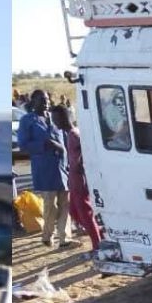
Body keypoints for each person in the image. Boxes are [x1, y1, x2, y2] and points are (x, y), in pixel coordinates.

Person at [16, 90, 69, 249]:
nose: (46, 103)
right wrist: (44, 144)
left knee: (65, 203)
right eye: (42, 100)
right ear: (33, 102)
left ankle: (64, 238)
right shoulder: (27, 120)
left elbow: (64, 139)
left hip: (62, 166)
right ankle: (47, 235)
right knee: (50, 205)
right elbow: (23, 145)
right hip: (44, 168)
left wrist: (67, 157)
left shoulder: (54, 117)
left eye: (47, 99)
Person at [49, 105, 102, 253]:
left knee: (85, 213)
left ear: (64, 118)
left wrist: (80, 165)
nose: (54, 122)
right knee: (74, 212)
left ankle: (98, 245)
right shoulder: (68, 134)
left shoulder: (74, 134)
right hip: (72, 176)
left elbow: (88, 150)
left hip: (79, 178)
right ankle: (100, 235)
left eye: (56, 119)